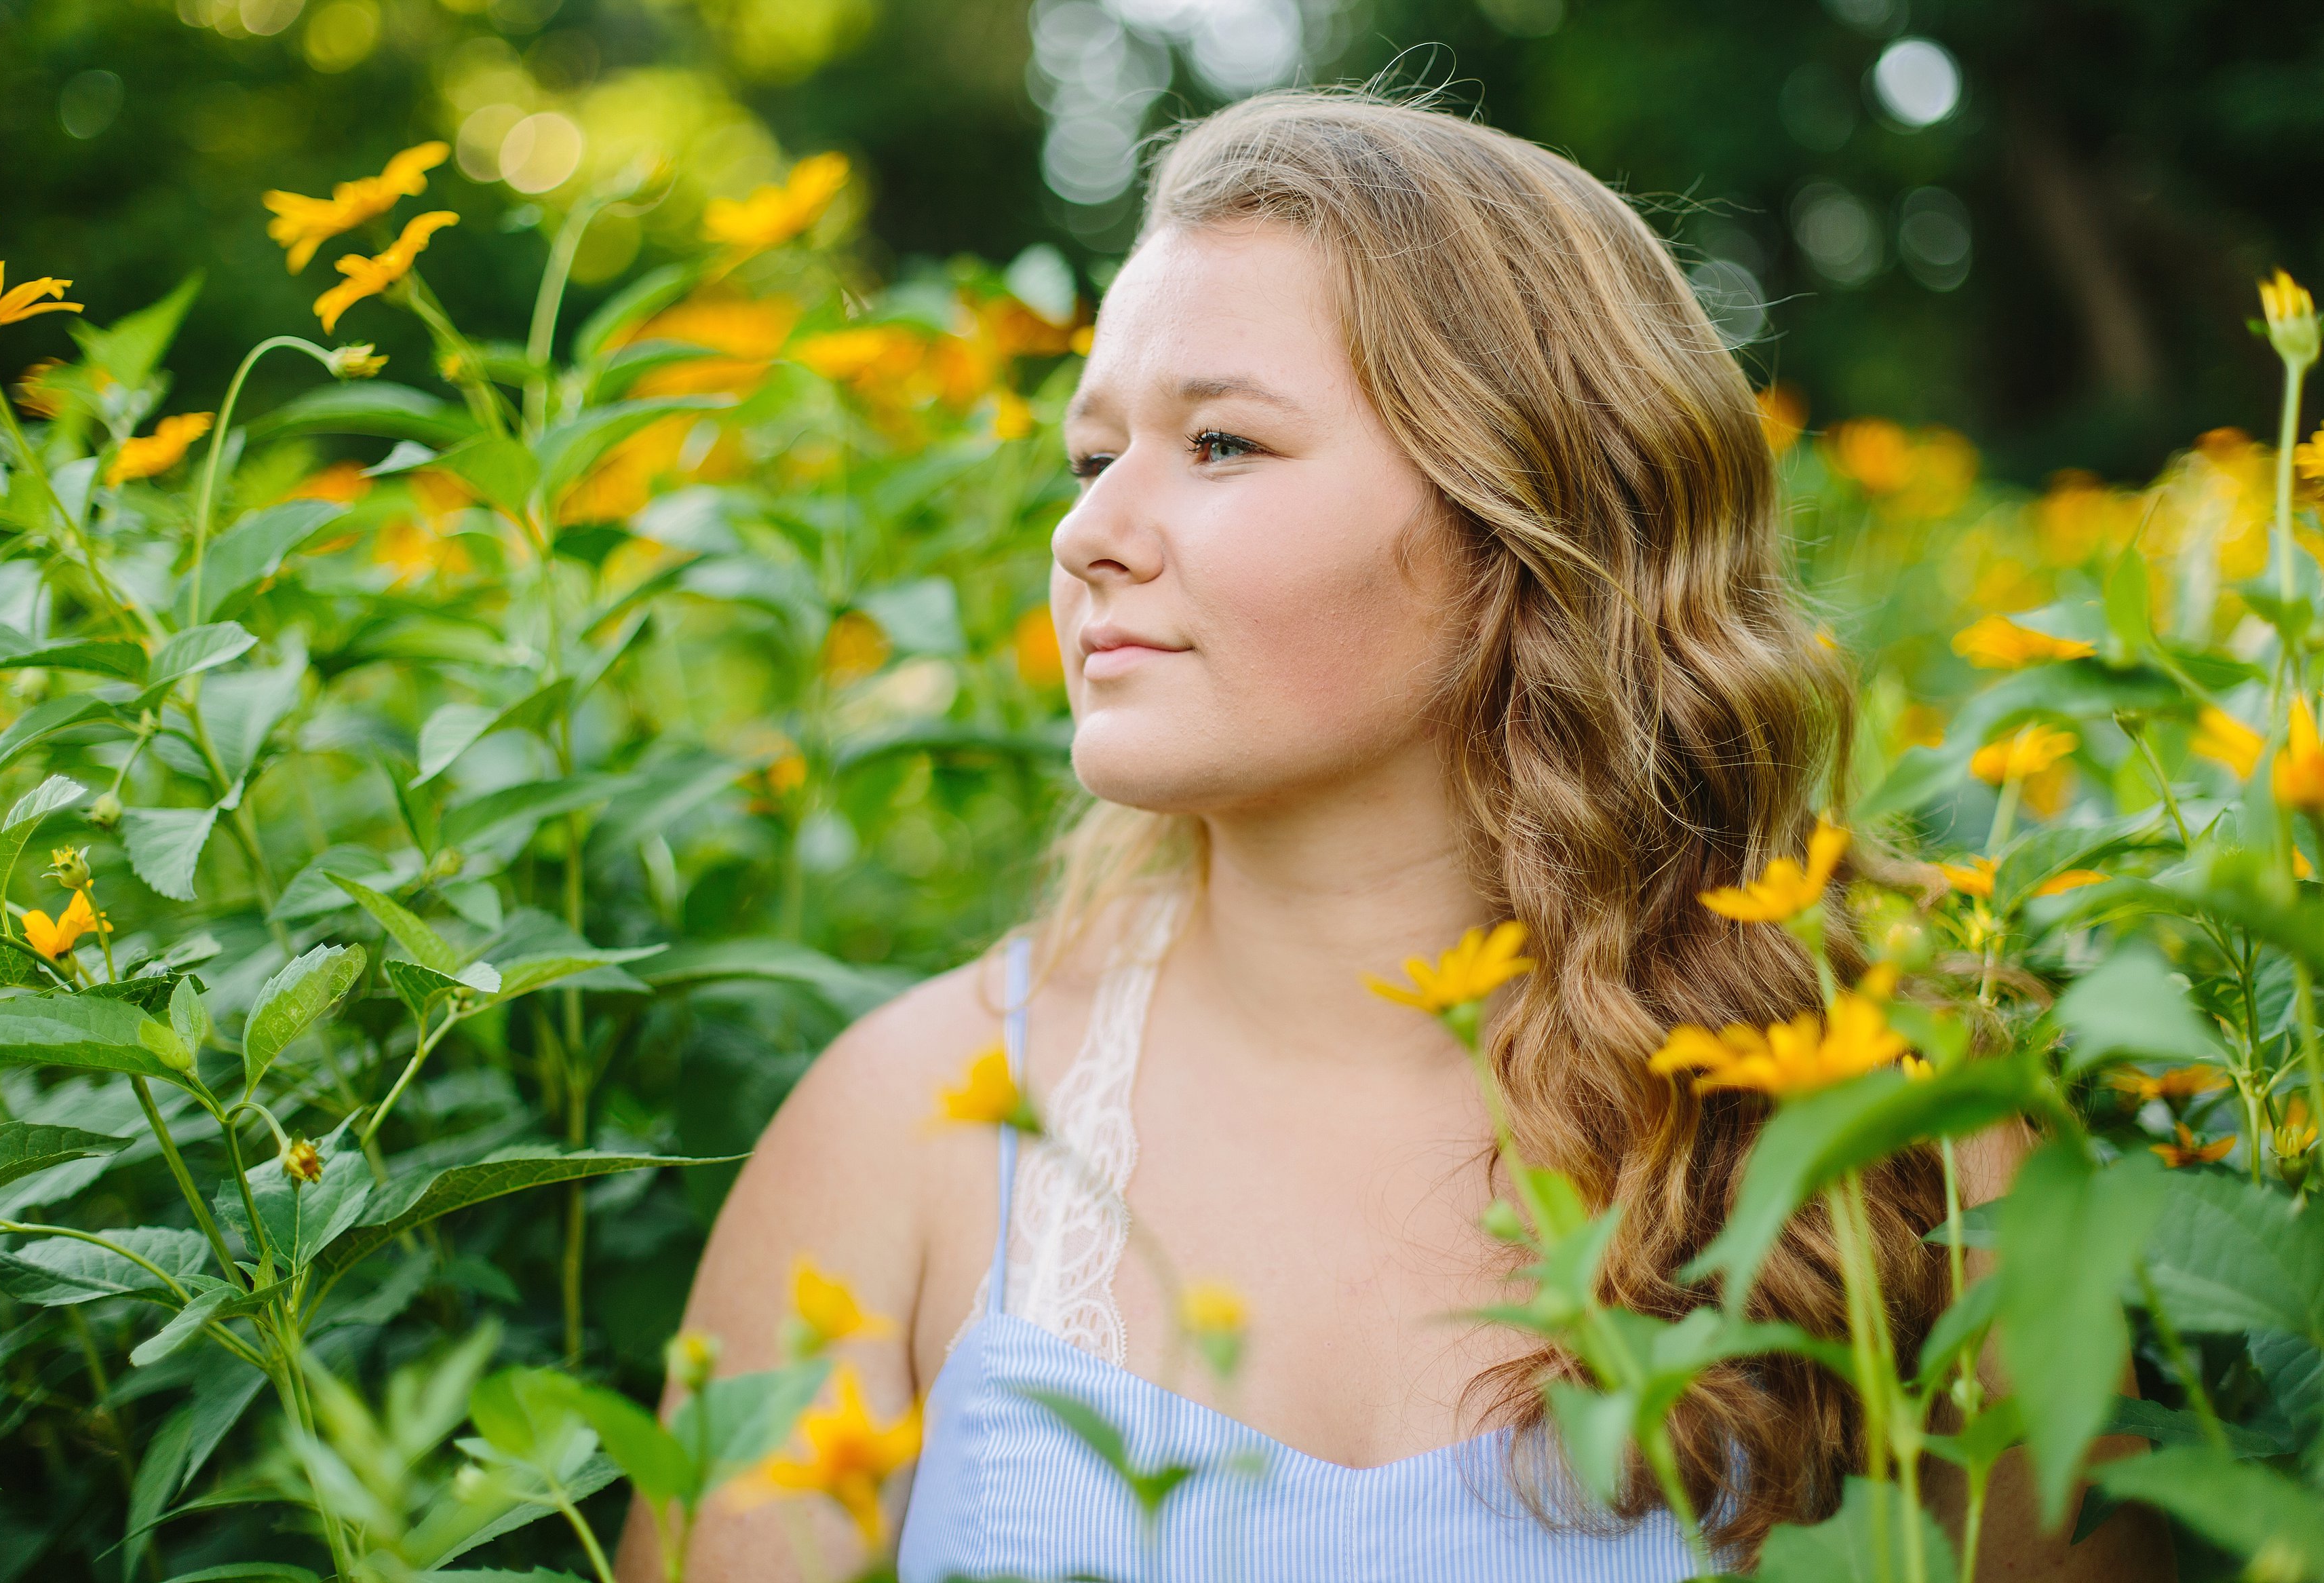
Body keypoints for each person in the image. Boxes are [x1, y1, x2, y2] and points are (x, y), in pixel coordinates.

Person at [614, 86, 2171, 1582]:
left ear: (1525, 517)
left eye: (1218, 445)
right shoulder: (903, 1131)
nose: (1086, 535)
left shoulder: (1887, 1151)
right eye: (1094, 458)